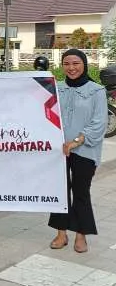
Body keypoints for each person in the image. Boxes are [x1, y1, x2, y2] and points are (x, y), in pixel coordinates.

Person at [48, 49, 107, 254]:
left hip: (85, 150)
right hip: (58, 151)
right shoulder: (57, 88)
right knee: (60, 191)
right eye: (66, 64)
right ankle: (61, 233)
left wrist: (75, 142)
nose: (71, 68)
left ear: (84, 65)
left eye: (76, 63)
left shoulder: (97, 91)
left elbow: (99, 123)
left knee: (81, 191)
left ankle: (81, 234)